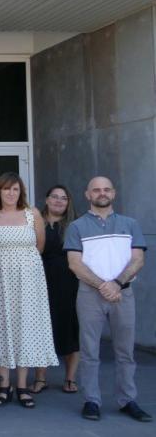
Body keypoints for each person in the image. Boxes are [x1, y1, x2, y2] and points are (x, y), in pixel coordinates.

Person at [65, 177, 151, 422]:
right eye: (96, 190)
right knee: (90, 350)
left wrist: (116, 284)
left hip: (123, 293)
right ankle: (91, 401)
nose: (101, 193)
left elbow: (138, 260)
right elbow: (74, 263)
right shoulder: (77, 226)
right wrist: (103, 285)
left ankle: (128, 400)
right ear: (87, 194)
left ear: (113, 193)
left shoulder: (130, 224)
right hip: (90, 294)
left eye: (106, 189)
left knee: (125, 351)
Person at [0, 173, 57, 409]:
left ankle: (22, 386)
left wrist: (21, 264)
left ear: (21, 192)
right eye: (6, 189)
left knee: (25, 331)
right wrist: (6, 265)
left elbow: (39, 246)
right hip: (0, 282)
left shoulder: (33, 214)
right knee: (2, 329)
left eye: (15, 189)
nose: (11, 194)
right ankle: (4, 386)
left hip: (30, 284)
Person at [33, 185, 80, 394]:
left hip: (70, 283)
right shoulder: (35, 222)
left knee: (71, 328)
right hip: (39, 282)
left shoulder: (75, 225)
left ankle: (70, 378)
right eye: (54, 197)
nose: (59, 201)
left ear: (68, 202)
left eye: (64, 198)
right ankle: (41, 378)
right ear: (46, 199)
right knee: (43, 330)